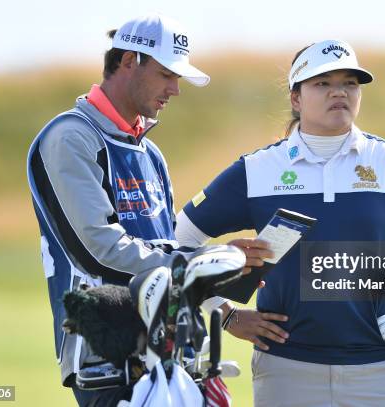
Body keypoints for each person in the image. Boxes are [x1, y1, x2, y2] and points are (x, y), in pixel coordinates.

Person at [175, 40, 385, 406]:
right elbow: (181, 237)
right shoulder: (257, 170)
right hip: (286, 372)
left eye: (350, 83)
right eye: (322, 83)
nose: (339, 91)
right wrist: (224, 314)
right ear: (296, 98)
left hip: (381, 372)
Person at [27, 13, 270, 406]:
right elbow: (101, 250)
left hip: (174, 353)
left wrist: (223, 305)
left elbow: (165, 250)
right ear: (127, 61)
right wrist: (211, 259)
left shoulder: (149, 152)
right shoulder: (70, 137)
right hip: (107, 358)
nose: (175, 89)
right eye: (166, 75)